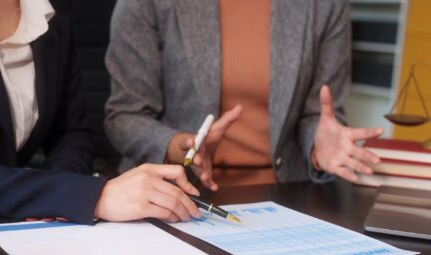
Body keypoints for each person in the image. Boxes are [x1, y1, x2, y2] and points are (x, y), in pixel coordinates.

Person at [0, 0, 201, 224]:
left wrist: (56, 199)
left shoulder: (52, 8)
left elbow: (71, 133)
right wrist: (77, 194)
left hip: (13, 224)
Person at [105, 0, 383, 190]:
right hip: (178, 193)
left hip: (288, 197)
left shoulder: (324, 5)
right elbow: (125, 116)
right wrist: (179, 145)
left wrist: (316, 148)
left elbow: (319, 115)